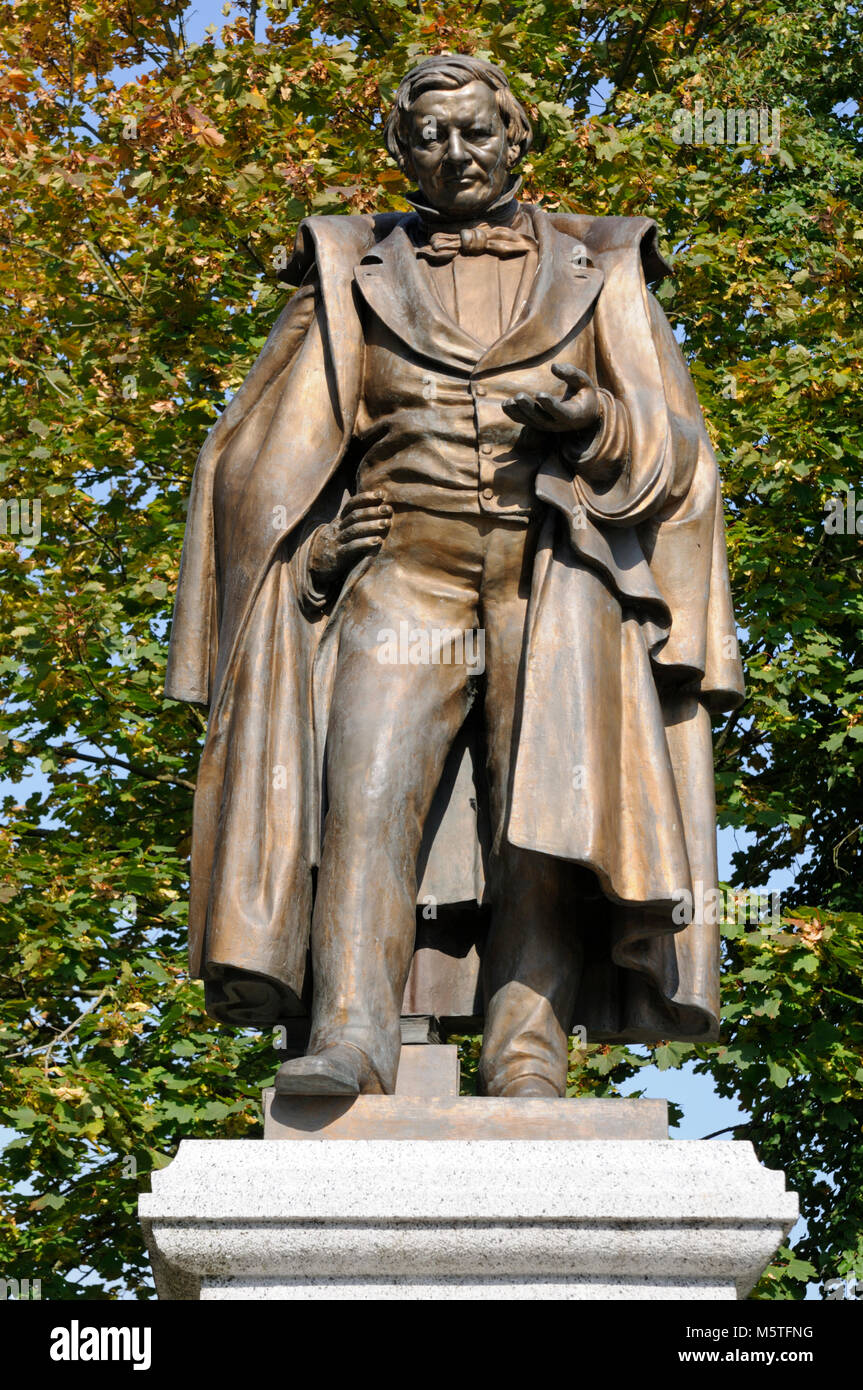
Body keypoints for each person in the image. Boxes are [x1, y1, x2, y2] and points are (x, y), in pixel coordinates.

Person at [165, 54, 744, 1098]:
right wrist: (308, 555)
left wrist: (598, 424)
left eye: (474, 131)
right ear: (402, 152)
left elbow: (682, 451)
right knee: (365, 797)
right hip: (402, 574)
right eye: (428, 135)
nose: (454, 152)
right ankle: (347, 1035)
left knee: (546, 820)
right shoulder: (348, 268)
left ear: (513, 139)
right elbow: (259, 459)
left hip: (553, 579)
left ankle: (526, 1056)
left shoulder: (599, 264)